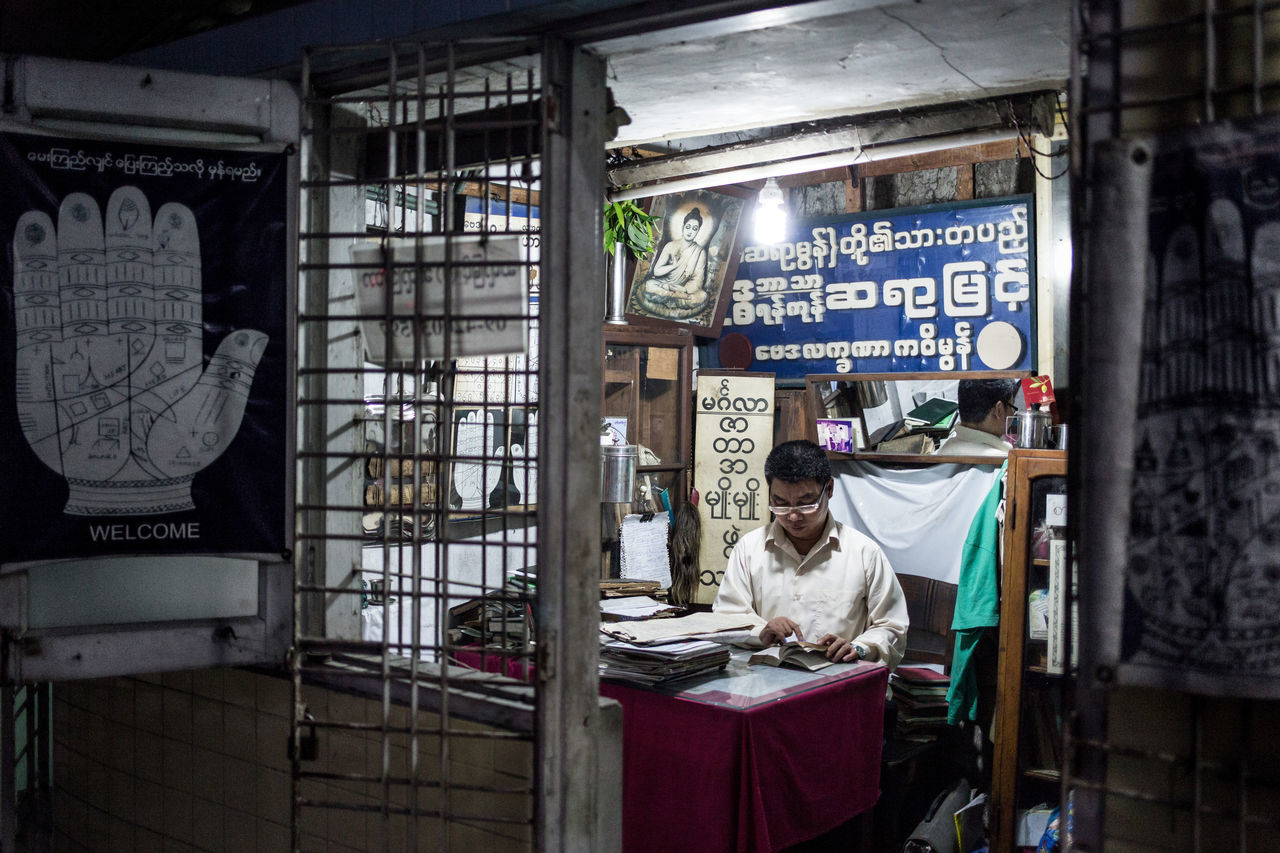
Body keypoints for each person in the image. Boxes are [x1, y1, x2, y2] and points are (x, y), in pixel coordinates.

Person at [713, 439, 909, 666]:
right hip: (765, 680)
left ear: (829, 489)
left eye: (806, 504)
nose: (793, 516)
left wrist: (859, 648)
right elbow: (725, 619)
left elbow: (892, 626)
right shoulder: (749, 549)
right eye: (781, 503)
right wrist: (761, 632)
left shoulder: (864, 553)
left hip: (838, 683)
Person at [639, 206, 710, 310]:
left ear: (698, 231)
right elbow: (657, 272)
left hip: (682, 289)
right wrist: (673, 266)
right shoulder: (670, 246)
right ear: (683, 227)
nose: (690, 231)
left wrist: (683, 290)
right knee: (649, 285)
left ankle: (668, 297)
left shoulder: (700, 252)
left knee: (702, 296)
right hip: (665, 284)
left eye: (695, 229)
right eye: (688, 227)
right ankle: (676, 298)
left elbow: (698, 279)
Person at [936, 378, 1020, 458]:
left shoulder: (941, 452)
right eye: (1012, 407)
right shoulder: (1003, 464)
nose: (1013, 413)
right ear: (999, 410)